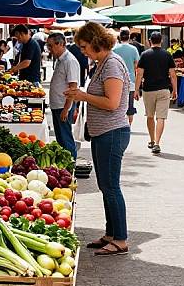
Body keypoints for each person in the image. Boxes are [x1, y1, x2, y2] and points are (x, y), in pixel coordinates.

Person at [64, 23, 130, 256]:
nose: (82, 51)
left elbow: (112, 103)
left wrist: (82, 95)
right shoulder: (103, 63)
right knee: (105, 186)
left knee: (111, 187)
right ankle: (111, 233)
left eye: (84, 46)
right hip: (103, 133)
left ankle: (121, 239)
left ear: (96, 42)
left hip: (112, 133)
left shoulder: (111, 64)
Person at [134, 31, 177, 154]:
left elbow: (139, 74)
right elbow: (173, 75)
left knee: (150, 116)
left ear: (149, 41)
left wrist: (136, 90)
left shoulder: (144, 55)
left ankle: (152, 140)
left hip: (148, 89)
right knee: (161, 117)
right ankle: (157, 143)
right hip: (164, 89)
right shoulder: (167, 54)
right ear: (161, 41)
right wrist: (175, 90)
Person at [47, 33, 80, 158]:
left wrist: (66, 109)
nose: (49, 49)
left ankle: (70, 164)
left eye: (51, 46)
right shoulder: (60, 60)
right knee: (61, 138)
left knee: (65, 138)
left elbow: (73, 87)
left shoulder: (70, 61)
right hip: (58, 105)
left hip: (63, 105)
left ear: (60, 44)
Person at [113, 28, 140, 125]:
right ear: (129, 37)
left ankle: (118, 124)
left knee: (118, 104)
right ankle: (128, 126)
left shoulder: (114, 49)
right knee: (130, 106)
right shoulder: (134, 50)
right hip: (131, 81)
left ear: (119, 37)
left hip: (116, 81)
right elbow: (137, 66)